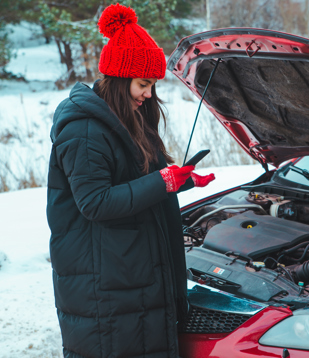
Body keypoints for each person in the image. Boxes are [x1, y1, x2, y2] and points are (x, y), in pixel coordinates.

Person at [46, 4, 215, 357]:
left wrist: (180, 180)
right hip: (103, 284)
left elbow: (137, 182)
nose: (149, 94)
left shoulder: (127, 118)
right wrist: (163, 183)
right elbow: (96, 202)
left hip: (127, 275)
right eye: (143, 84)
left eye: (152, 84)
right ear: (120, 79)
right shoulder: (85, 131)